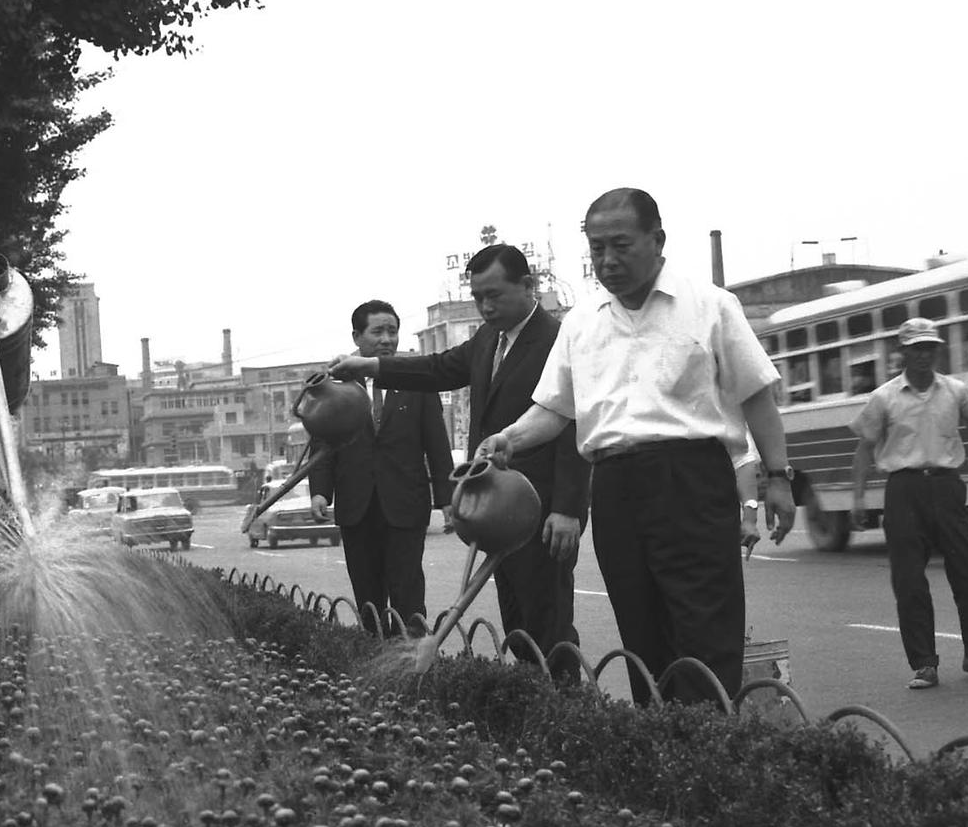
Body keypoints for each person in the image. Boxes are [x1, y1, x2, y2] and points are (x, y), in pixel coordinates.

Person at [481, 191, 796, 700]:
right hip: (614, 488)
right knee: (641, 629)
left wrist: (778, 478)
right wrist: (508, 439)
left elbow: (757, 394)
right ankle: (660, 750)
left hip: (691, 480)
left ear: (658, 240)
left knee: (703, 627)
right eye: (597, 248)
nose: (608, 261)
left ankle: (709, 746)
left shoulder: (710, 306)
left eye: (621, 245)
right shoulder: (582, 323)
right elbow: (555, 409)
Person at [330, 245, 590, 660]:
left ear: (528, 286)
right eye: (478, 297)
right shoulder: (489, 339)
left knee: (550, 624)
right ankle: (533, 708)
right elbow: (437, 369)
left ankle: (565, 708)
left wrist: (568, 508)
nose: (485, 307)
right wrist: (371, 367)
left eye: (494, 295)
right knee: (517, 622)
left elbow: (574, 422)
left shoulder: (558, 341)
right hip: (496, 508)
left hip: (541, 510)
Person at [848, 319, 968, 690]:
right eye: (917, 348)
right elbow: (864, 449)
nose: (925, 355)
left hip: (947, 488)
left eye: (931, 348)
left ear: (938, 351)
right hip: (904, 491)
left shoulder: (955, 391)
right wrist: (858, 498)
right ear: (903, 352)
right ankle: (924, 663)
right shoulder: (884, 398)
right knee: (909, 581)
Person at [308, 301, 455, 633]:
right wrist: (320, 493)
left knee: (408, 597)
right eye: (378, 331)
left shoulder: (417, 381)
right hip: (356, 507)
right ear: (357, 336)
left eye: (392, 331)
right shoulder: (337, 386)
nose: (387, 339)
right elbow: (323, 444)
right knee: (368, 600)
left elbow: (437, 444)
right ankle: (375, 664)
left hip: (405, 506)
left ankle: (411, 664)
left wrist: (447, 499)